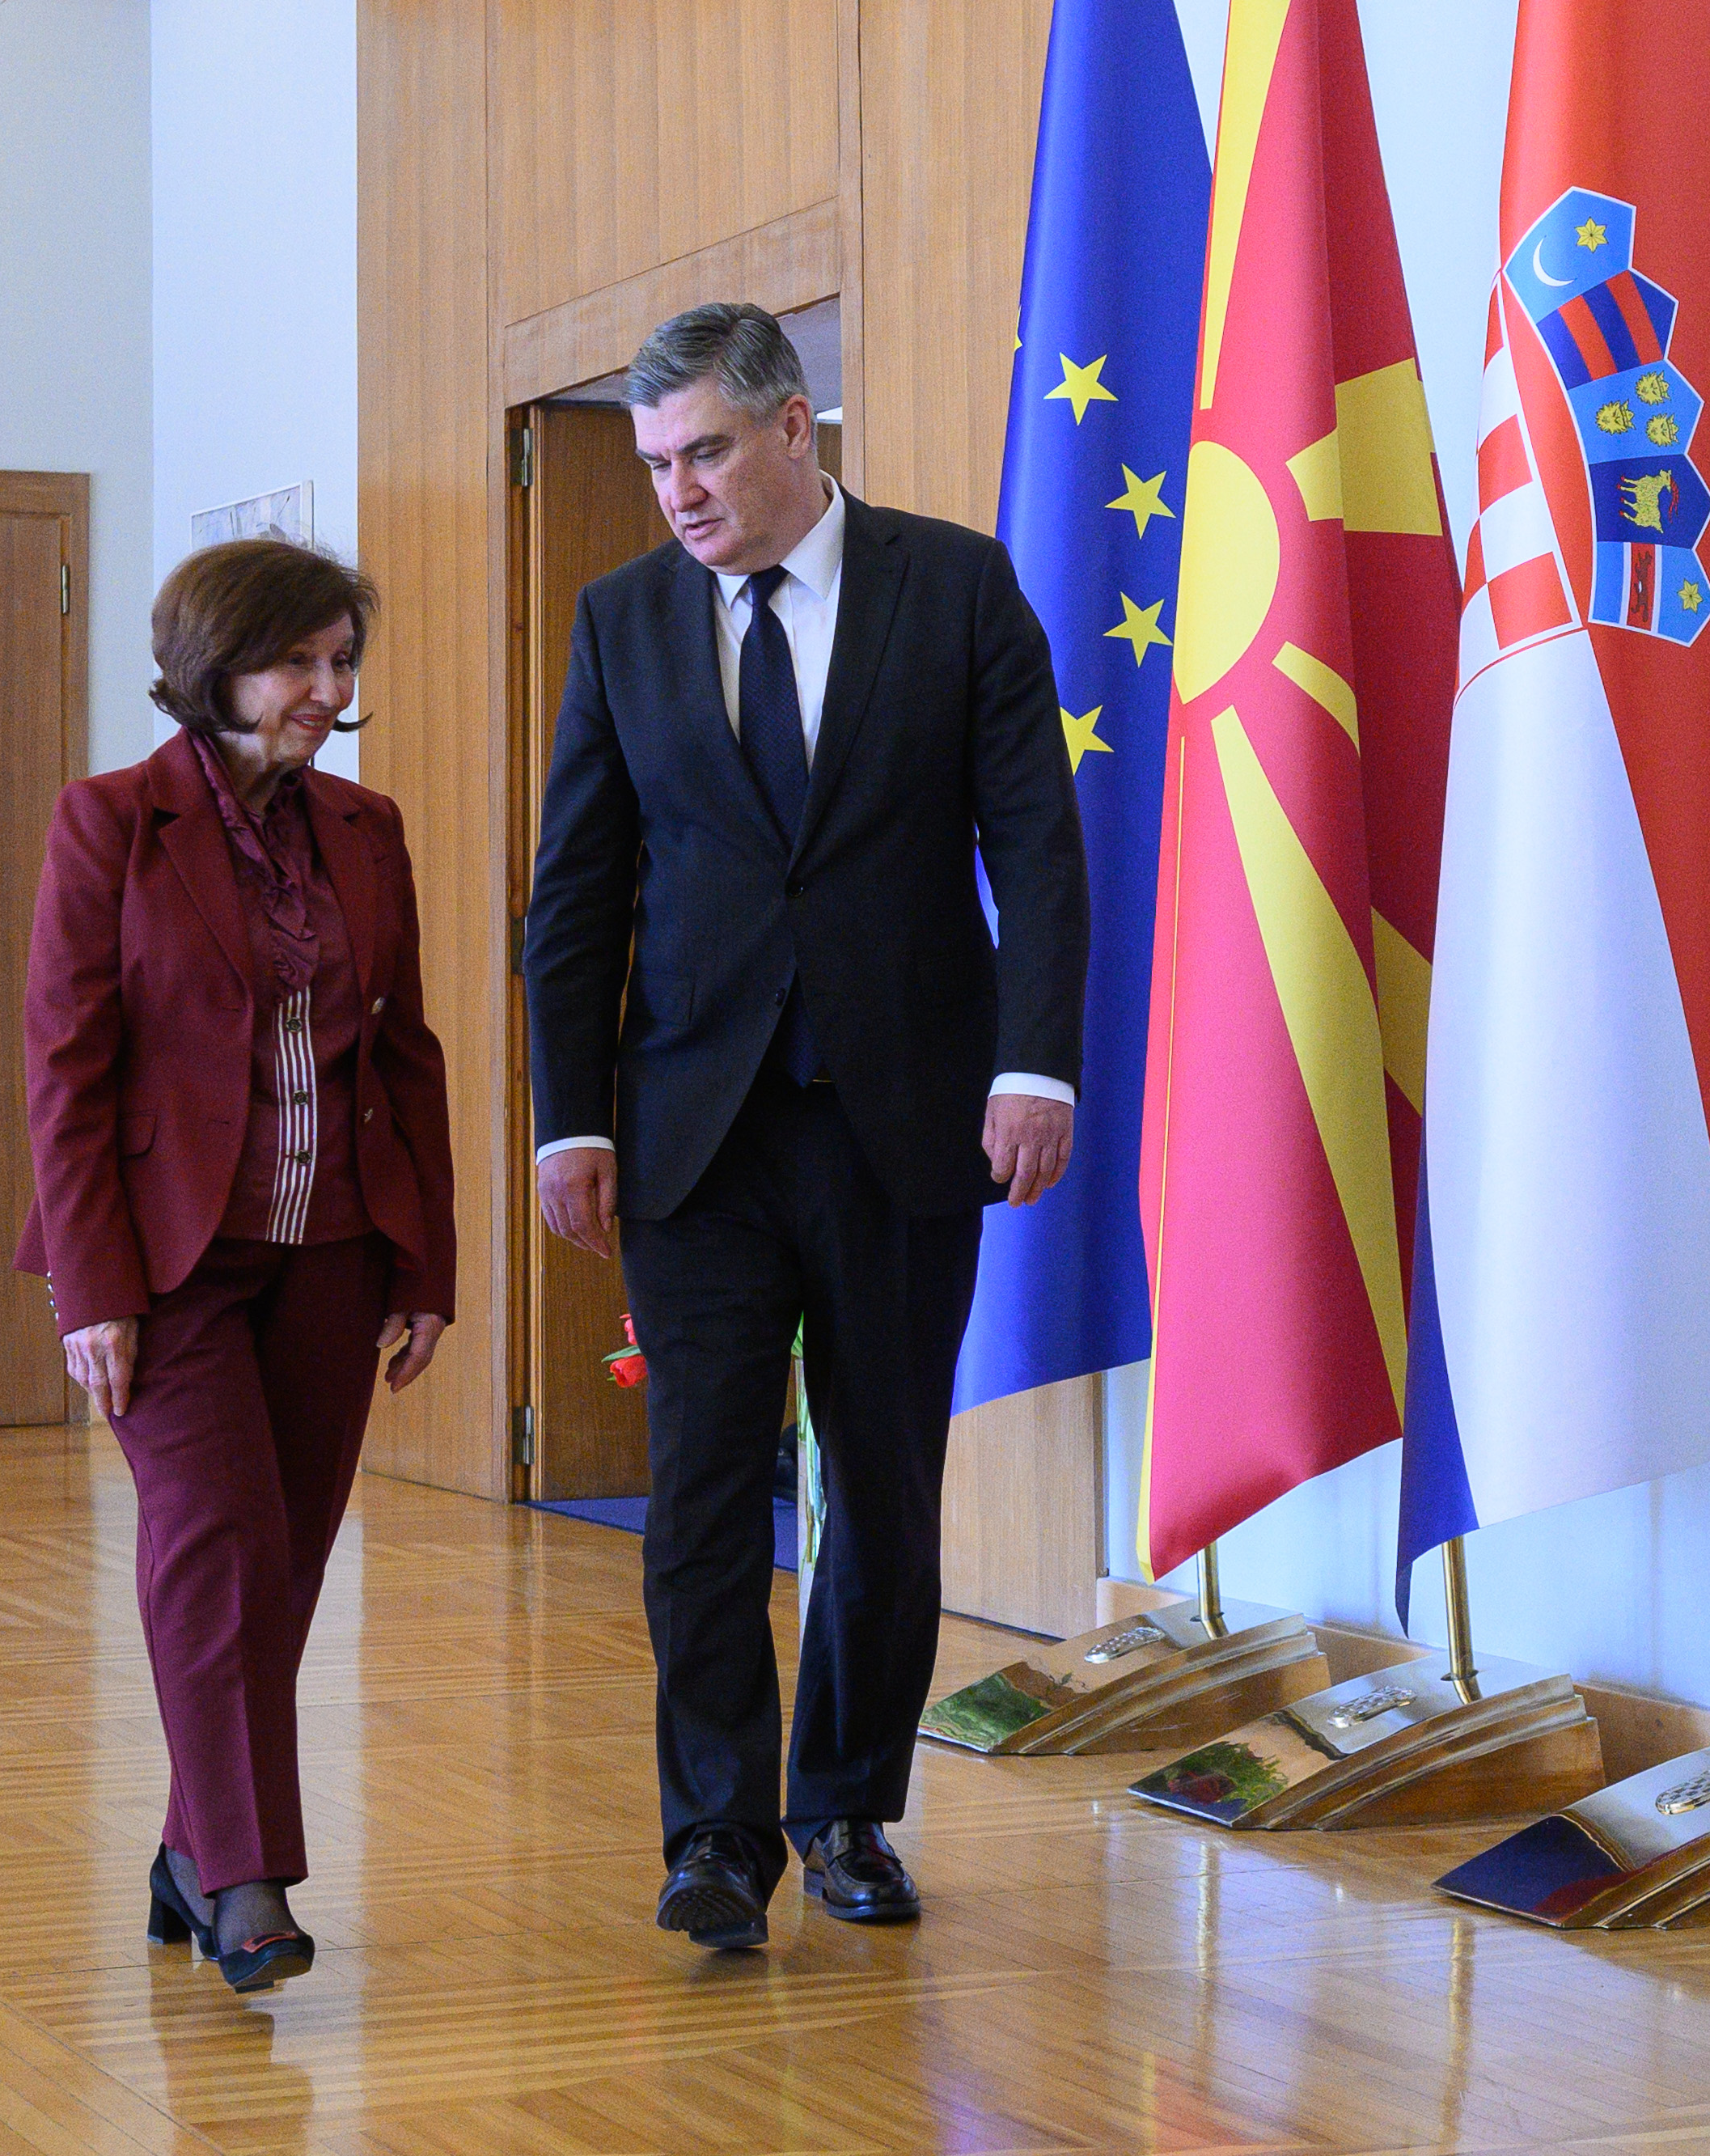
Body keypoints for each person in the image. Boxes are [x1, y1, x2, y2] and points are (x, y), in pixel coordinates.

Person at [523, 303, 1086, 1951]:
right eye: (652, 464)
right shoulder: (623, 617)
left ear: (792, 430)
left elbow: (1035, 848)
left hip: (901, 1120)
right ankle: (713, 1833)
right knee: (699, 1492)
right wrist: (569, 1118)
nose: (677, 493)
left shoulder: (953, 584)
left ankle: (843, 1805)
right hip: (693, 1132)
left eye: (702, 451)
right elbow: (575, 898)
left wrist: (1032, 1066)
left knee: (883, 1482)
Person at [16, 540, 457, 1993]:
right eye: (298, 664)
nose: (326, 694)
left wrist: (424, 1259)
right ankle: (246, 1883)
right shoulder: (108, 825)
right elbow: (66, 1073)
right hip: (170, 1264)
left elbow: (405, 1048)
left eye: (342, 664)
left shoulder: (365, 825)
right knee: (215, 1549)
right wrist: (92, 1290)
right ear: (215, 668)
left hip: (333, 1251)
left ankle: (183, 1845)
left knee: (283, 1571)